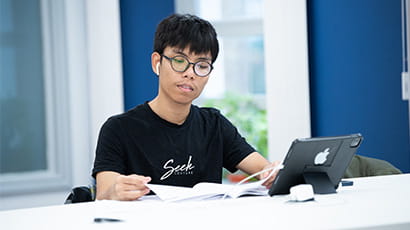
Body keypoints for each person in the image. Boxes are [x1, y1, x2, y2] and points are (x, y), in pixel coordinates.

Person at [92, 13, 279, 201]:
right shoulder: (118, 129)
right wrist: (116, 190)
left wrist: (271, 173)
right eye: (180, 61)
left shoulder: (214, 125)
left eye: (202, 65)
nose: (190, 73)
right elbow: (104, 192)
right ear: (157, 62)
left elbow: (264, 169)